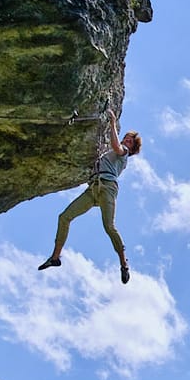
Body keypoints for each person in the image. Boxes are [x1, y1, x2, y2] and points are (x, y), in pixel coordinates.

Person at [39, 109, 140, 283]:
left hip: (107, 188)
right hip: (93, 189)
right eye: (126, 138)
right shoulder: (111, 153)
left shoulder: (123, 154)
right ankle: (55, 258)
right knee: (64, 217)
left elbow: (116, 146)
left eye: (129, 141)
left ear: (131, 148)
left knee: (109, 226)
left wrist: (112, 122)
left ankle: (124, 264)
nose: (125, 140)